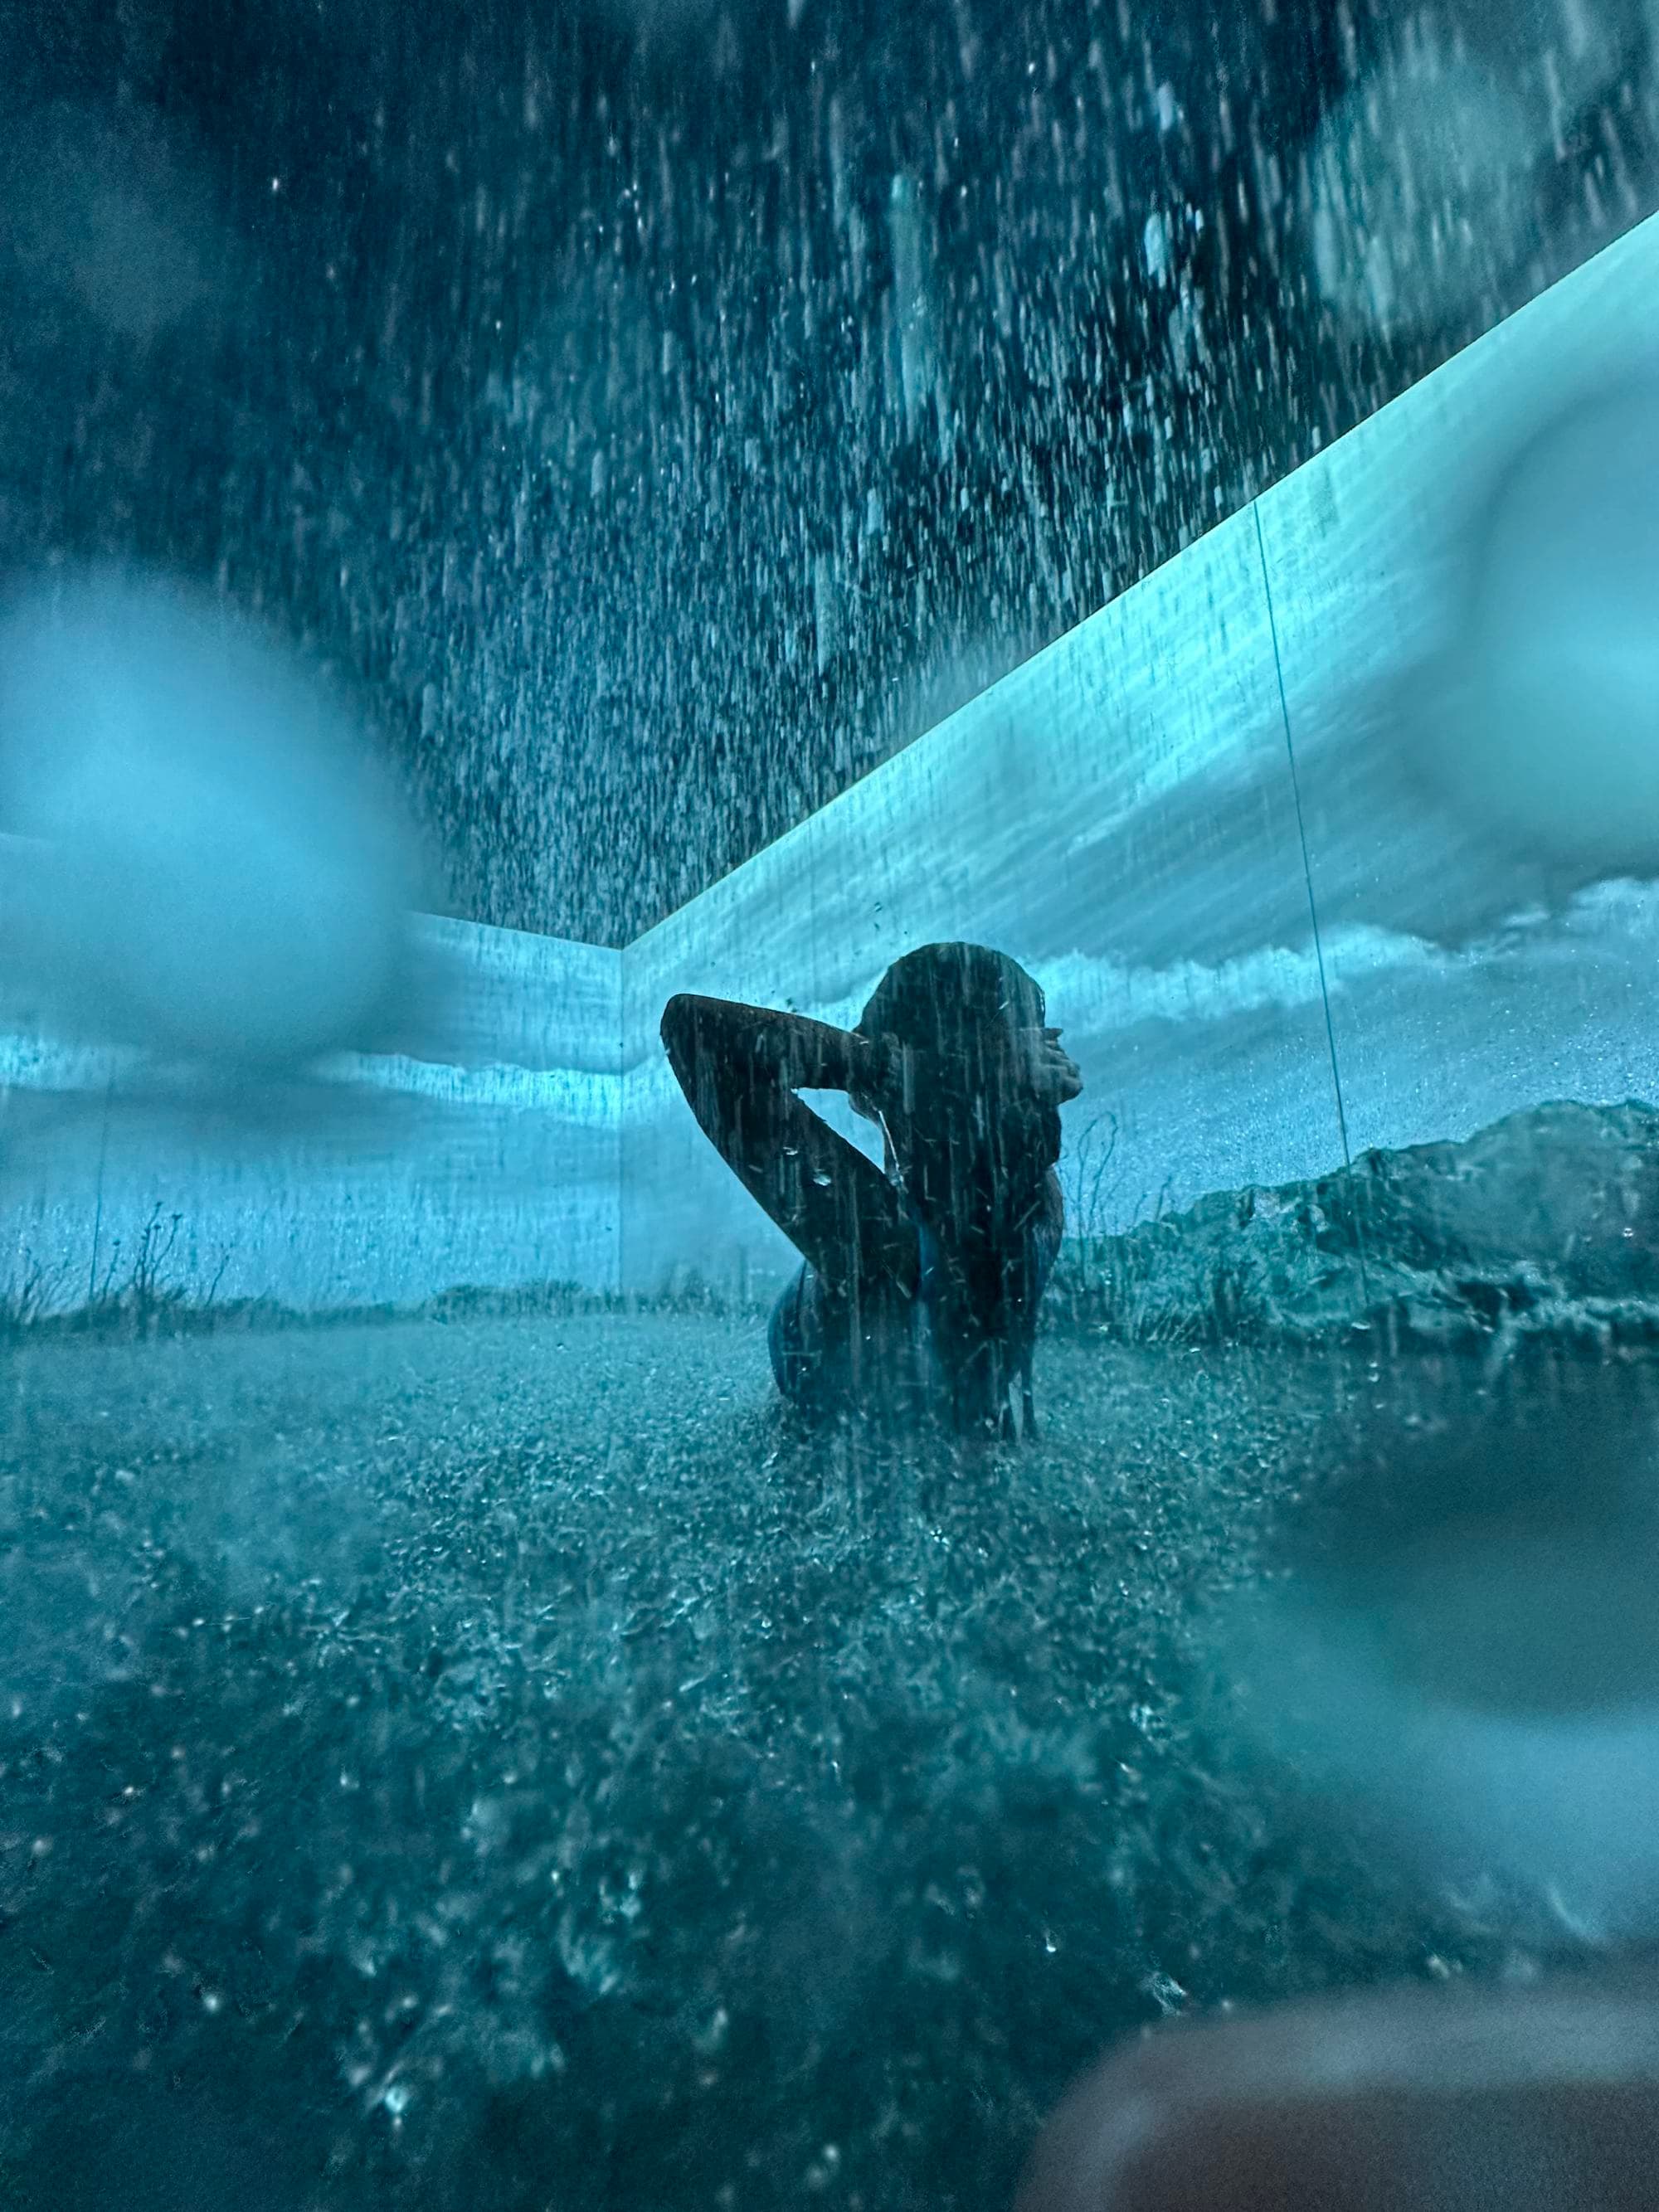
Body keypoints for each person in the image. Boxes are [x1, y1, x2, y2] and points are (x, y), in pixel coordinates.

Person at [659, 941, 1082, 1437]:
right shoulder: (1015, 1205)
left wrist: (894, 1069)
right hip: (858, 1450)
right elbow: (693, 1028)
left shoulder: (898, 1236)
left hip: (838, 1456)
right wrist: (945, 1072)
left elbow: (695, 1032)